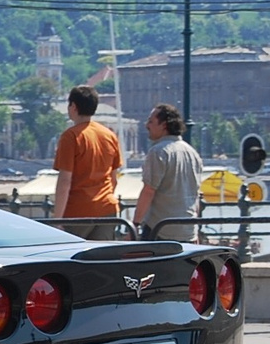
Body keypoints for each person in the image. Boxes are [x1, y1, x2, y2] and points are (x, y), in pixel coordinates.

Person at [52, 85, 123, 240]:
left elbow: (65, 180)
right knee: (102, 260)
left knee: (71, 259)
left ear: (73, 106)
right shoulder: (109, 135)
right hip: (107, 208)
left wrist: (57, 219)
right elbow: (113, 179)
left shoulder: (70, 137)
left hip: (78, 211)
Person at [132, 103, 203, 240]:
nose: (147, 125)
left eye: (151, 121)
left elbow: (148, 191)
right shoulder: (192, 153)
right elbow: (195, 195)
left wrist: (135, 225)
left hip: (160, 230)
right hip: (188, 231)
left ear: (164, 125)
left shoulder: (158, 152)